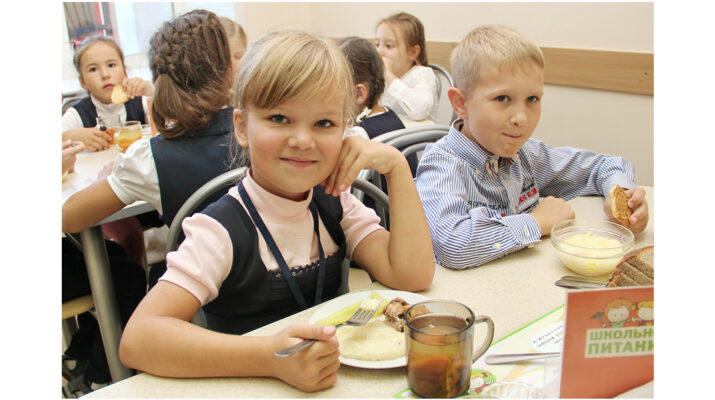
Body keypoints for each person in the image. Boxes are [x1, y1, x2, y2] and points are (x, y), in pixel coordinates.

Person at [118, 30, 434, 393]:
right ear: (242, 127)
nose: (302, 140)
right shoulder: (220, 230)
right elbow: (139, 339)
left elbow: (412, 275)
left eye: (324, 123)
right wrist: (269, 357)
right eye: (280, 118)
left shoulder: (335, 202)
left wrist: (396, 166)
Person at [414, 25, 649, 270]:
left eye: (532, 99)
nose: (522, 118)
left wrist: (622, 195)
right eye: (502, 98)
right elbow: (452, 245)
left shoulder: (526, 154)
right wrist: (537, 221)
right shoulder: (442, 164)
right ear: (461, 103)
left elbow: (606, 165)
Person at [62, 10, 238, 235]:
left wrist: (108, 178)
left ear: (157, 81)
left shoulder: (147, 160)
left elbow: (67, 219)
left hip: (196, 259)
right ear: (230, 71)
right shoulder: (265, 133)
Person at [62, 36, 153, 152]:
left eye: (111, 65)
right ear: (82, 81)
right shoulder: (76, 114)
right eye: (93, 69)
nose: (105, 75)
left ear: (125, 72)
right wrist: (69, 136)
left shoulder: (141, 102)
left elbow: (169, 121)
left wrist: (151, 94)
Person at [374, 12, 438, 123]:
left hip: (418, 133)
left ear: (413, 52)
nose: (379, 52)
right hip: (390, 132)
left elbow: (419, 111)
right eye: (377, 44)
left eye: (389, 46)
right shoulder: (379, 78)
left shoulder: (422, 74)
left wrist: (389, 74)